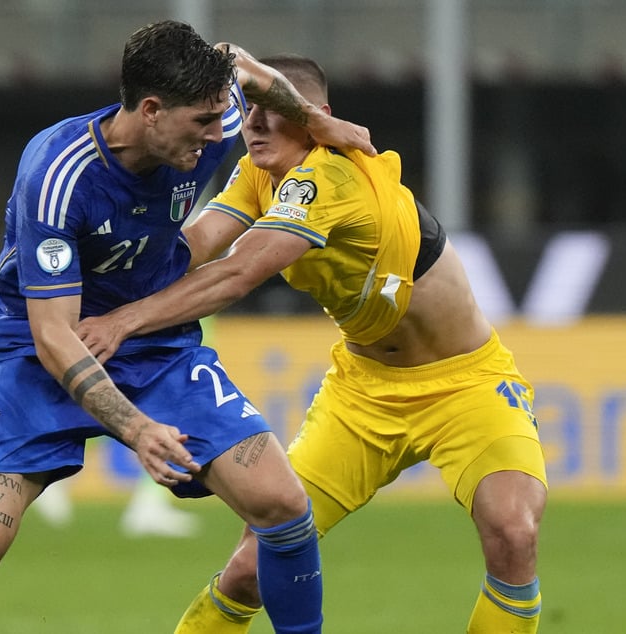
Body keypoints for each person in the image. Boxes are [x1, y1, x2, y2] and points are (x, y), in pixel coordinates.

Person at [0, 22, 375, 634]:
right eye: (202, 125)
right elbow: (55, 334)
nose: (220, 136)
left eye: (220, 119)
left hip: (156, 345)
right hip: (41, 346)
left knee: (283, 505)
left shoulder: (212, 109)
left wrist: (317, 122)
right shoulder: (57, 175)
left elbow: (241, 63)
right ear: (151, 110)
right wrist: (137, 429)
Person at [78, 54, 549, 633]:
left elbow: (237, 272)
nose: (253, 125)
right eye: (247, 112)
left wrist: (121, 322)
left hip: (466, 385)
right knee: (251, 567)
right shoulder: (260, 172)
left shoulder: (334, 175)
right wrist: (95, 277)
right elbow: (196, 245)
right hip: (363, 393)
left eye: (272, 113)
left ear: (315, 117)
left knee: (513, 531)